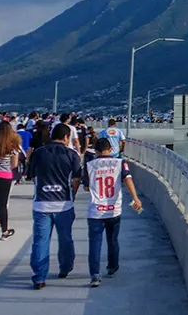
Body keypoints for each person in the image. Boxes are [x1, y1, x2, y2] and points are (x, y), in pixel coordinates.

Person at [27, 123, 82, 289]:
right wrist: (72, 194)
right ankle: (65, 268)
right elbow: (76, 179)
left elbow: (32, 176)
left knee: (40, 241)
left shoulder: (39, 153)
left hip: (41, 205)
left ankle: (39, 277)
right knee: (65, 239)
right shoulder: (72, 154)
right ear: (66, 137)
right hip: (63, 204)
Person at [83, 137, 142, 287]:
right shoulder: (120, 163)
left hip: (95, 210)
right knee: (113, 240)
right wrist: (135, 198)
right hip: (113, 210)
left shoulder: (89, 165)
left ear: (95, 151)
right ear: (111, 149)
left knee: (95, 243)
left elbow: (86, 187)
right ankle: (112, 267)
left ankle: (95, 275)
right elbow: (128, 179)